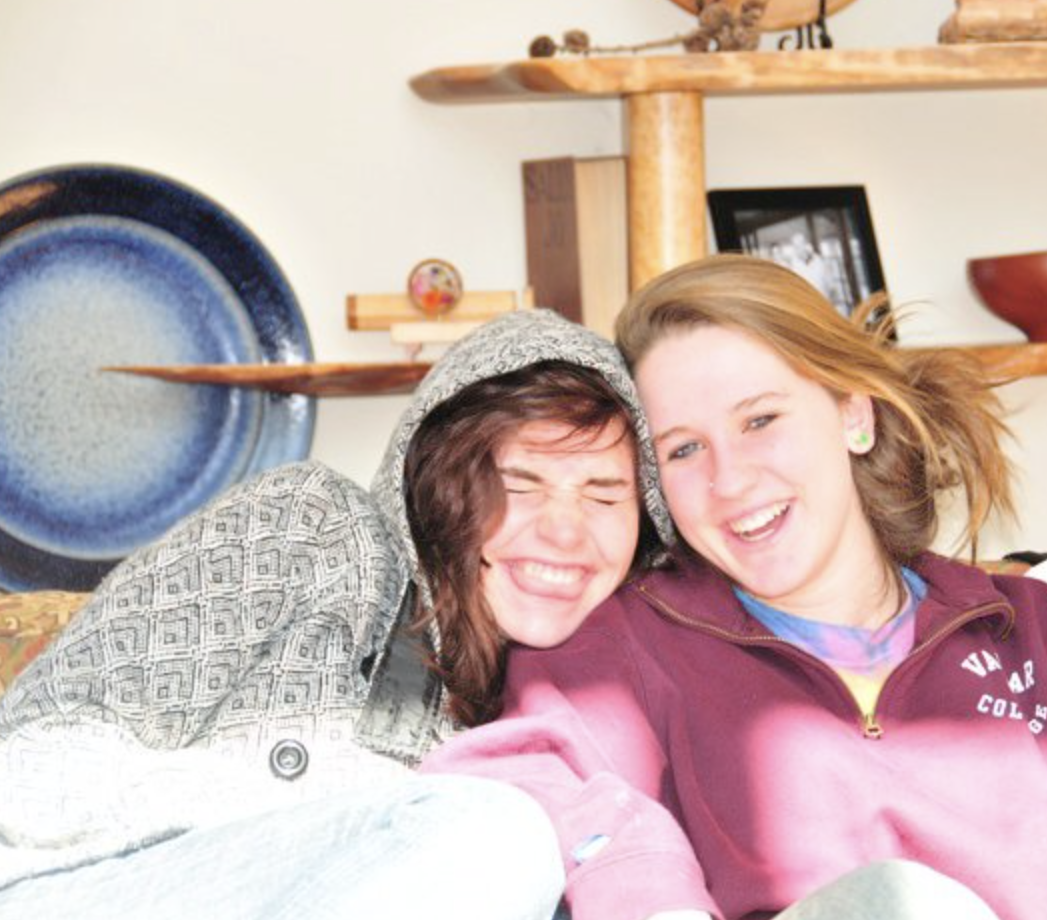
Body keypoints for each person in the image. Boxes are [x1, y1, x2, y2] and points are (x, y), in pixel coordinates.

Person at [425, 254, 1047, 919]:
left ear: (853, 414)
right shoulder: (625, 647)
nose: (730, 479)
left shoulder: (1035, 633)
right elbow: (529, 780)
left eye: (760, 420)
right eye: (683, 450)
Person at [0, 309, 672, 918]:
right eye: (518, 484)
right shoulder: (312, 526)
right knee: (501, 833)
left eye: (603, 496)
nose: (565, 532)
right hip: (74, 888)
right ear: (440, 480)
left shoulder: (584, 688)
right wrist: (315, 806)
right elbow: (27, 763)